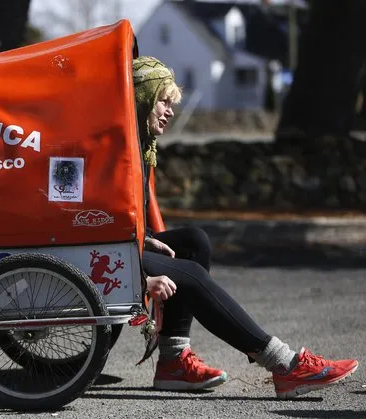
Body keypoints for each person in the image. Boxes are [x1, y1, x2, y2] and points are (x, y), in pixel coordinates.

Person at [132, 56, 359, 399]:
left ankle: (173, 362)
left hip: (117, 242)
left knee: (195, 241)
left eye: (171, 103)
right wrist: (140, 276)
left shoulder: (138, 144)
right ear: (142, 99)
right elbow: (92, 217)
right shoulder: (116, 145)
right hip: (102, 251)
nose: (170, 111)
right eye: (163, 101)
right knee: (189, 272)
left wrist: (146, 240)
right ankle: (285, 364)